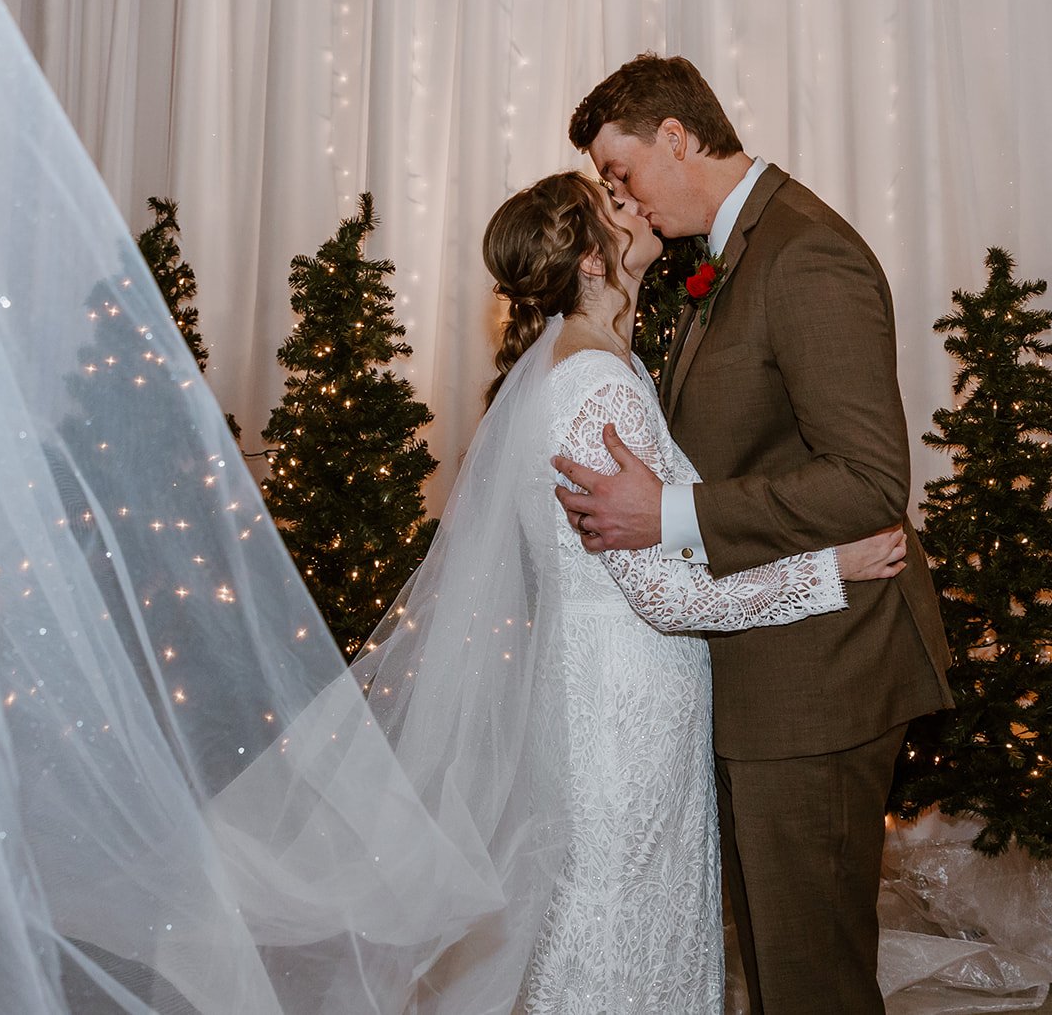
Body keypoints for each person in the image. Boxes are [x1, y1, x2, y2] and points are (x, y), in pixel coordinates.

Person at [362, 168, 908, 1011]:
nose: (638, 206)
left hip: (608, 684)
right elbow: (669, 598)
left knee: (618, 911)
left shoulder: (588, 367)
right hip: (627, 697)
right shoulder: (597, 386)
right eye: (614, 205)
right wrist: (831, 569)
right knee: (619, 919)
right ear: (589, 260)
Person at [555, 53, 957, 1013]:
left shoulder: (805, 252)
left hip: (820, 678)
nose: (623, 199)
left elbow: (869, 484)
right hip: (768, 668)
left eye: (622, 174)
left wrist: (671, 513)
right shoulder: (730, 254)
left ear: (677, 139)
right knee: (780, 967)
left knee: (810, 974)